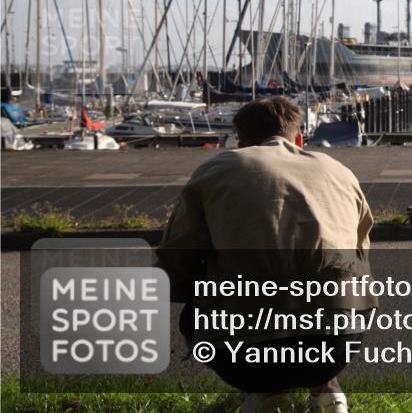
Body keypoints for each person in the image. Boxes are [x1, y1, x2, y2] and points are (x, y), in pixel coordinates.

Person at [156, 97, 376, 413]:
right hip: (335, 349)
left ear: (241, 142)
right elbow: (361, 260)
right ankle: (328, 389)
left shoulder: (216, 171)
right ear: (299, 139)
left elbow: (175, 263)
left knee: (202, 300)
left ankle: (264, 393)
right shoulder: (340, 172)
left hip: (245, 359)